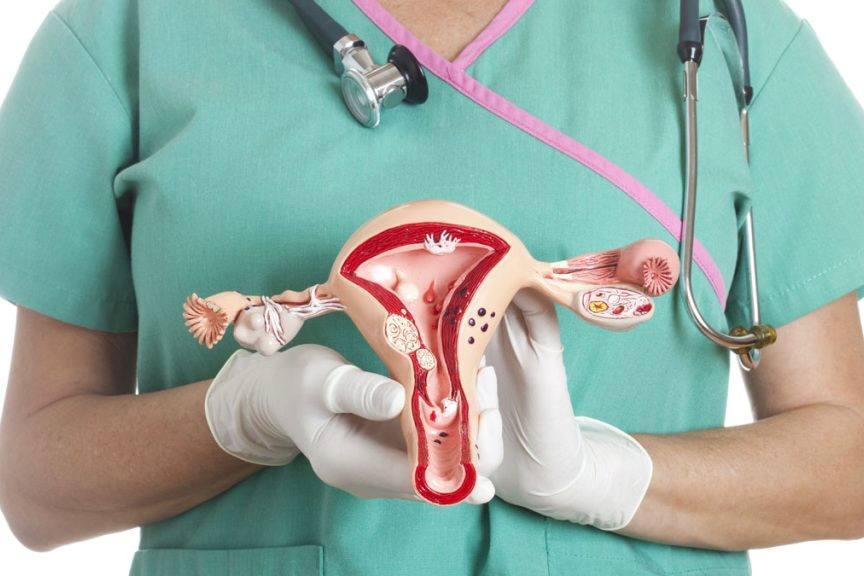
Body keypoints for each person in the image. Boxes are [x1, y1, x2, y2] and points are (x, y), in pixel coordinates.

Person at [1, 1, 863, 575]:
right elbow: (36, 491)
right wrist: (243, 417)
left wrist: (606, 480)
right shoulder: (133, 28)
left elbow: (847, 463)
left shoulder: (725, 36)